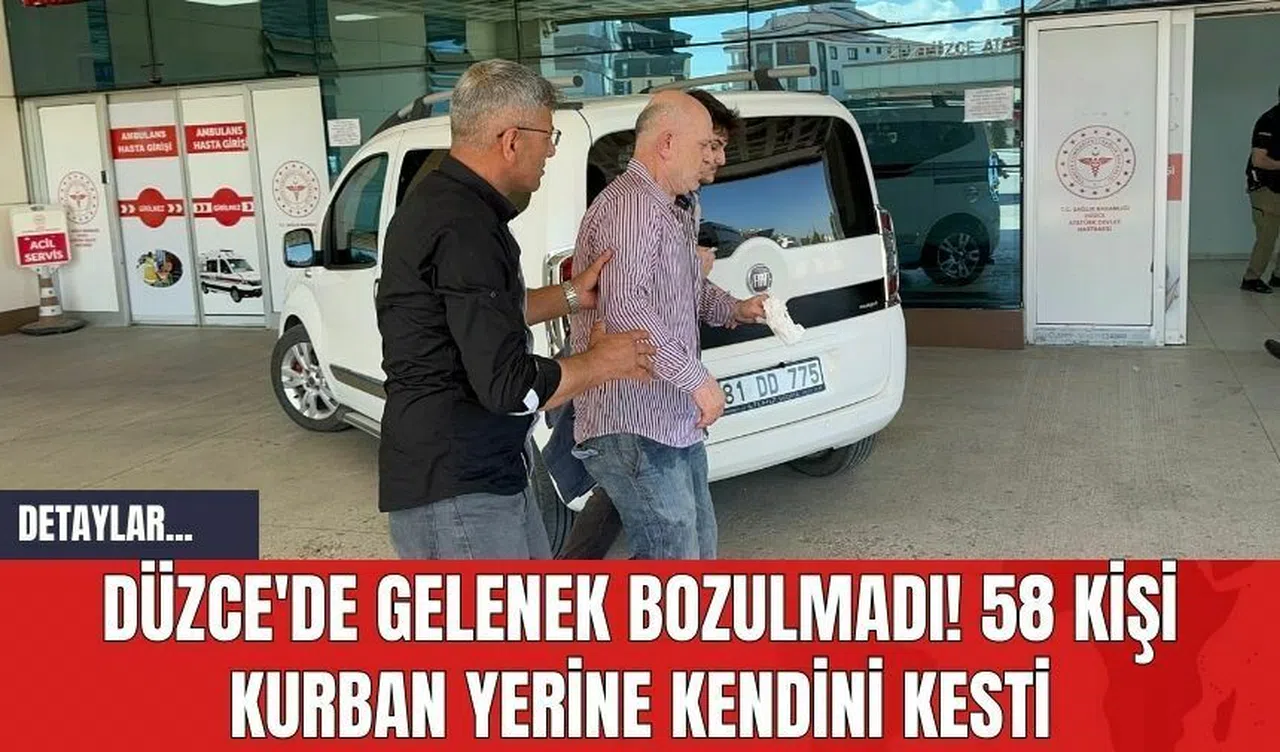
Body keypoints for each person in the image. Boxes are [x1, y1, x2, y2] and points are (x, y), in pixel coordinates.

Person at [374, 59, 656, 559]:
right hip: (457, 489)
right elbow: (509, 386)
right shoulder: (463, 226)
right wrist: (603, 363)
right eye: (548, 135)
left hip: (485, 471)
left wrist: (572, 296)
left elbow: (477, 318)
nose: (551, 150)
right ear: (510, 140)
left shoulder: (448, 206)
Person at [566, 90, 766, 560]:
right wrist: (697, 379)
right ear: (668, 143)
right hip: (633, 419)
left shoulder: (674, 206)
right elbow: (627, 308)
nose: (714, 158)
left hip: (672, 416)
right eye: (704, 146)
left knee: (696, 547)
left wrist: (735, 309)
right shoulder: (631, 207)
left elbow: (681, 290)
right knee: (675, 556)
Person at [1239, 85, 1280, 293]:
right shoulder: (1269, 121)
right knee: (1267, 236)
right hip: (1265, 189)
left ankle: (1278, 276)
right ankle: (1251, 278)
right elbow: (1259, 160)